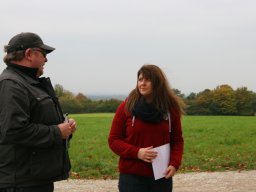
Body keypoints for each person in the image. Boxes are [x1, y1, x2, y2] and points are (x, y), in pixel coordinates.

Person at [0, 32, 76, 192]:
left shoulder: (27, 83)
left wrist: (65, 129)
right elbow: (14, 130)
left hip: (34, 178)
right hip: (21, 182)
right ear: (28, 54)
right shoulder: (11, 85)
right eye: (43, 54)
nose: (46, 59)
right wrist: (57, 132)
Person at [108, 64, 184, 192]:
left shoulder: (171, 110)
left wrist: (174, 164)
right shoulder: (126, 107)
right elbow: (113, 140)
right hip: (131, 178)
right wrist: (137, 152)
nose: (142, 83)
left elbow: (177, 140)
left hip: (161, 177)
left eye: (147, 80)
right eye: (140, 79)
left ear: (158, 83)